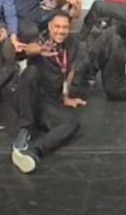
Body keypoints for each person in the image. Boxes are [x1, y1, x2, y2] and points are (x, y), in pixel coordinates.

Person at [11, 12, 85, 173]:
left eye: (65, 27)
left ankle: (33, 152)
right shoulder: (39, 41)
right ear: (50, 27)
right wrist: (37, 50)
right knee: (31, 72)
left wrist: (66, 96)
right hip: (27, 98)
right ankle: (25, 129)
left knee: (72, 123)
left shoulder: (73, 43)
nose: (61, 31)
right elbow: (24, 51)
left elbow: (69, 70)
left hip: (48, 103)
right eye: (57, 27)